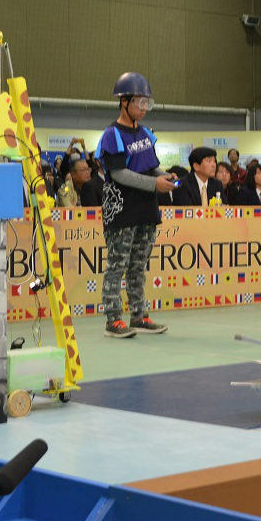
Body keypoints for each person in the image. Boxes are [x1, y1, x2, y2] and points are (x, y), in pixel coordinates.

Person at [95, 72, 174, 338]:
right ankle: (113, 320)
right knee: (117, 264)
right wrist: (155, 184)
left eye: (146, 103)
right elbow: (119, 174)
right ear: (124, 101)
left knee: (138, 265)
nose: (143, 108)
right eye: (139, 102)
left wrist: (164, 176)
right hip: (122, 210)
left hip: (145, 209)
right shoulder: (112, 135)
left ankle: (139, 315)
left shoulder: (145, 133)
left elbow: (151, 167)